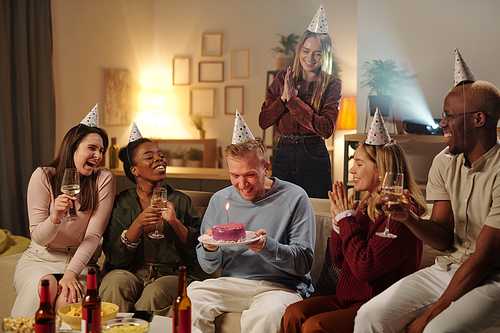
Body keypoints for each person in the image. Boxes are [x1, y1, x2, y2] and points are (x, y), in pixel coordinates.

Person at [354, 50, 500, 333]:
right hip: (448, 269)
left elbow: (485, 258)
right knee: (369, 317)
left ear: (478, 119)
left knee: (435, 330)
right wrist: (410, 219)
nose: (441, 123)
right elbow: (444, 238)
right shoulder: (443, 162)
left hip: (492, 278)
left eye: (449, 116)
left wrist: (428, 316)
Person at [280, 109, 427, 333]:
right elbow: (340, 260)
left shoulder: (402, 214)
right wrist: (339, 222)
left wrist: (346, 220)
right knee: (293, 313)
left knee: (314, 327)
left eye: (359, 164)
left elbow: (366, 267)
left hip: (379, 305)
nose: (352, 170)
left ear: (381, 171)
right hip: (349, 299)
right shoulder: (365, 206)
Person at [187, 116, 315, 333]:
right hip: (233, 284)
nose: (242, 184)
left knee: (268, 314)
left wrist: (266, 247)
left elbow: (303, 263)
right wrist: (209, 248)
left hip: (281, 287)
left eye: (250, 175)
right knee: (190, 298)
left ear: (266, 167)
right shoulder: (219, 200)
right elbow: (208, 267)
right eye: (234, 175)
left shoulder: (295, 197)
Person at [12, 106, 116, 316]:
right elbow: (38, 238)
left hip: (78, 263)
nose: (98, 156)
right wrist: (54, 218)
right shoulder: (43, 176)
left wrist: (70, 274)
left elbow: (93, 235)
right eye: (92, 148)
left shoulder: (103, 179)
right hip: (39, 259)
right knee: (45, 288)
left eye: (101, 151)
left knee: (67, 301)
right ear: (73, 148)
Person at [99, 124, 201, 315]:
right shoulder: (119, 203)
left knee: (154, 293)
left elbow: (196, 253)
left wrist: (175, 223)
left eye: (160, 155)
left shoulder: (181, 201)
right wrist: (137, 224)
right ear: (135, 170)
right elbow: (114, 257)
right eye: (149, 157)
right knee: (115, 283)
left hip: (170, 274)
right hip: (130, 272)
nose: (159, 159)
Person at [259, 4, 342, 199]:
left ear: (325, 55)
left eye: (317, 53)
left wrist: (293, 101)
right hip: (283, 153)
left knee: (316, 210)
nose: (310, 58)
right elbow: (263, 121)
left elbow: (326, 129)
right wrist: (283, 99)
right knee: (281, 207)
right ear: (299, 51)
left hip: (314, 154)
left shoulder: (332, 84)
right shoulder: (282, 78)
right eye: (306, 51)